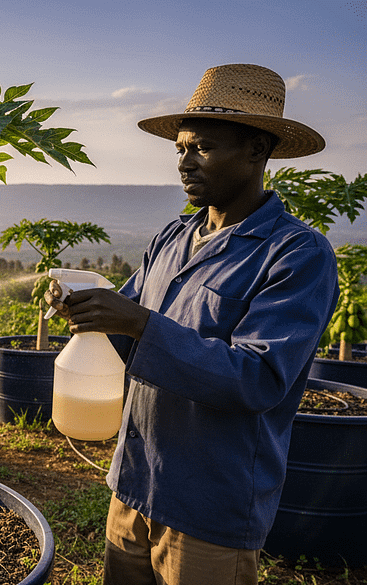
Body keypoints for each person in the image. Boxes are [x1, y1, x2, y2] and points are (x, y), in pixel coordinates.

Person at [45, 64, 339, 585]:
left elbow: (259, 377)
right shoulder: (173, 237)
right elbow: (125, 326)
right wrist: (87, 309)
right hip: (134, 484)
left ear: (256, 151)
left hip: (209, 509)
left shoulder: (297, 254)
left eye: (202, 147)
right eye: (179, 148)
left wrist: (137, 322)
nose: (184, 162)